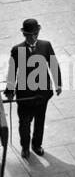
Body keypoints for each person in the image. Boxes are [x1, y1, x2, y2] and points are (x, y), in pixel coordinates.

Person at [5, 16, 61, 159]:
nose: (33, 37)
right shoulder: (17, 50)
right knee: (24, 123)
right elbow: (12, 71)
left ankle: (36, 145)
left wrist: (58, 83)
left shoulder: (46, 45)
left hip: (42, 94)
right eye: (30, 35)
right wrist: (10, 90)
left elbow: (53, 65)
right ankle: (25, 147)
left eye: (35, 34)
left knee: (39, 121)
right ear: (24, 34)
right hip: (25, 95)